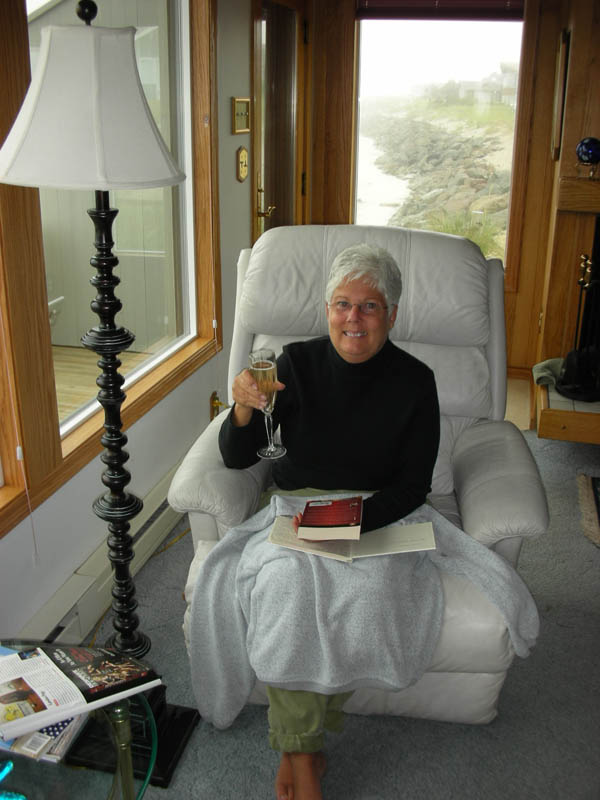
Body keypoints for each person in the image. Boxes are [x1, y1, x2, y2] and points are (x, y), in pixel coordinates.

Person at [219, 243, 440, 800]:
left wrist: (350, 519)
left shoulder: (416, 381)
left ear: (392, 313)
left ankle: (299, 747)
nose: (353, 318)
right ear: (326, 310)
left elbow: (414, 486)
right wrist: (242, 407)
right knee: (285, 590)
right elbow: (237, 458)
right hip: (298, 508)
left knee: (364, 597)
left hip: (374, 512)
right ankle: (303, 753)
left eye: (370, 306)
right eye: (342, 303)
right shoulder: (293, 364)